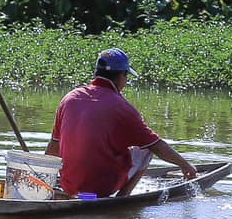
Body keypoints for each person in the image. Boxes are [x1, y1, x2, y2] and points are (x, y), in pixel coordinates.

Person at [44, 48, 197, 198]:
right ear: (122, 76)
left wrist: (43, 179)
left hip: (68, 185)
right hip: (100, 188)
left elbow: (54, 146)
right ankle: (123, 199)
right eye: (126, 76)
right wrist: (186, 165)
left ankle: (78, 192)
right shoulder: (122, 107)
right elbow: (156, 145)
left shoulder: (69, 98)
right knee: (147, 148)